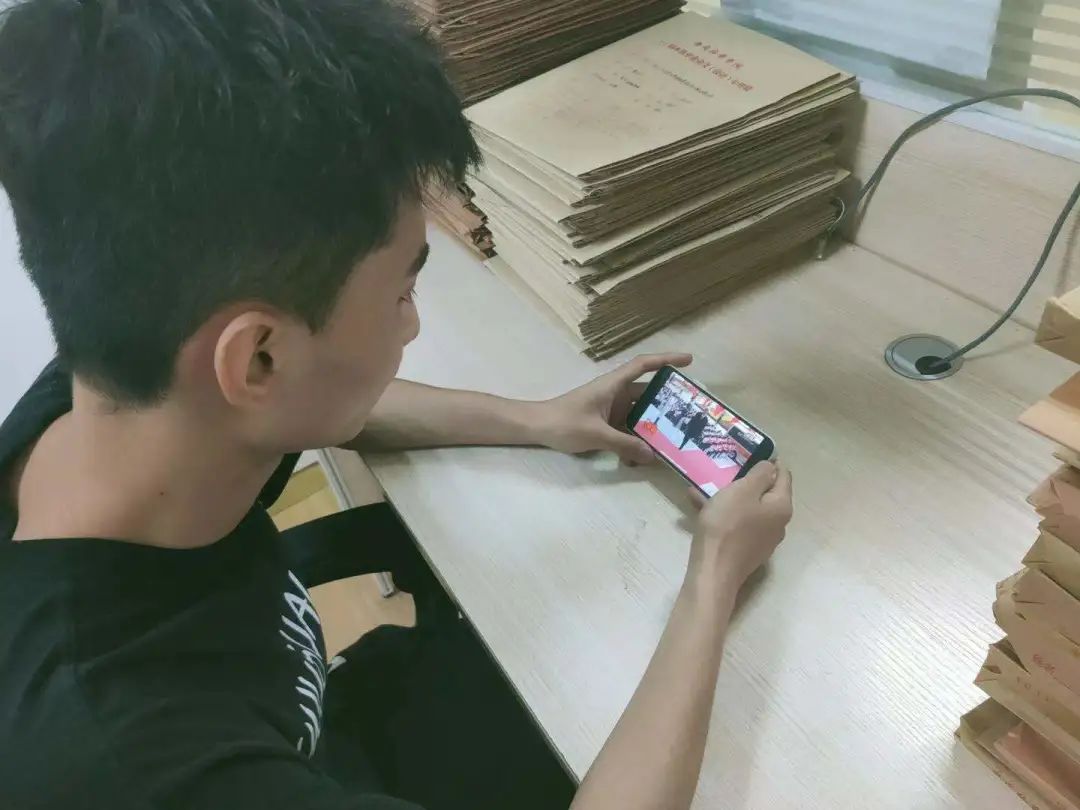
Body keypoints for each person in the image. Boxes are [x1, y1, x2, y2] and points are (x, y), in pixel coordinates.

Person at [0, 2, 794, 810]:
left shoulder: (121, 379)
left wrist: (538, 419)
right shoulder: (128, 764)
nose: (412, 325)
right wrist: (713, 580)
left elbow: (315, 401)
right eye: (402, 293)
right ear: (259, 357)